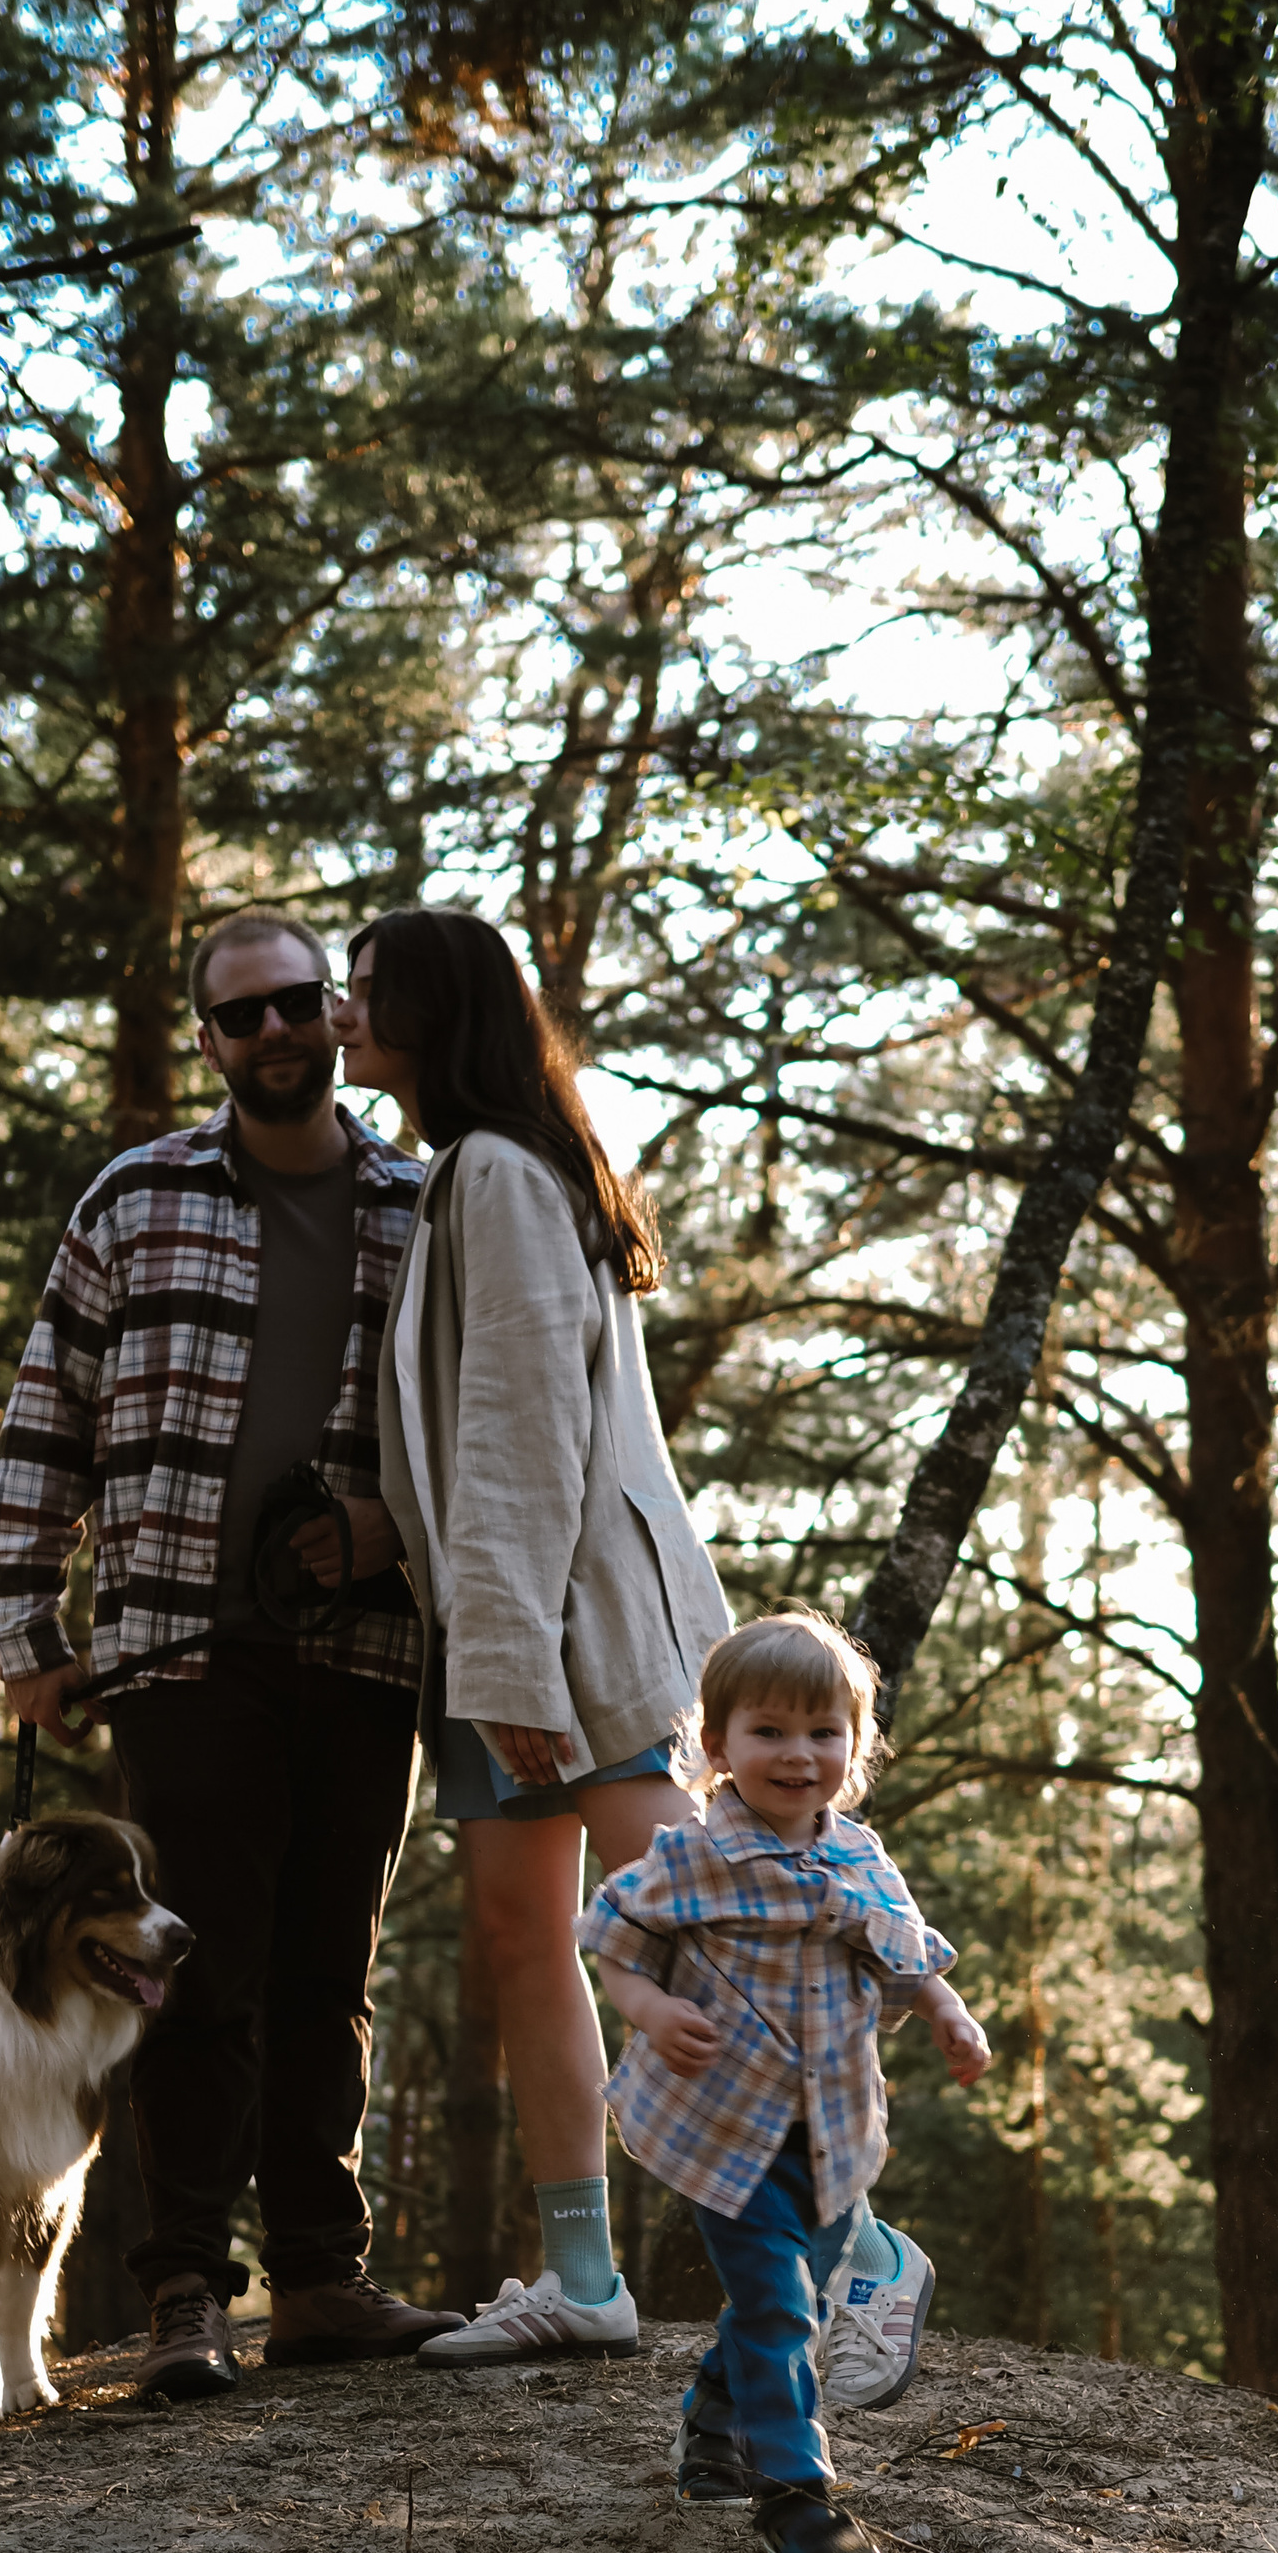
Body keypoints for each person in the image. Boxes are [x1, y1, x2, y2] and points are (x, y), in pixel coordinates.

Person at [0, 904, 462, 2399]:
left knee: (330, 1972)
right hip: (178, 1649)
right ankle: (186, 2288)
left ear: (339, 1015)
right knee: (193, 1970)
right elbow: (44, 1414)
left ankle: (322, 2279)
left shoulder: (423, 1205)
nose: (273, 1034)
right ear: (207, 1038)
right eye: (239, 1015)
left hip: (364, 1649)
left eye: (297, 1005)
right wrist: (25, 1624)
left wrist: (386, 1525)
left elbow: (471, 1417)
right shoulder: (135, 1199)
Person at [335, 907, 732, 2366]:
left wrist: (504, 1662)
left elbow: (523, 1432)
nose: (338, 1014)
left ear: (437, 1012)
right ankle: (585, 2278)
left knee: (703, 1941)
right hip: (509, 1628)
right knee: (526, 1941)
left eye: (365, 993)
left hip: (573, 1632)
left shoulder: (498, 1173)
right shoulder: (474, 1171)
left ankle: (865, 2252)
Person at [575, 1610, 991, 2553]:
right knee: (774, 2305)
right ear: (716, 1746)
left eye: (821, 1732)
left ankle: (711, 2431)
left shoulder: (858, 1856)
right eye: (768, 1731)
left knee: (786, 2297)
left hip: (834, 2133)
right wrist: (648, 2006)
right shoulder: (689, 1856)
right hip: (728, 2136)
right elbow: (614, 1940)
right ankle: (795, 2495)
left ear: (854, 1749)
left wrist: (947, 2012)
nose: (797, 1754)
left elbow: (906, 1949)